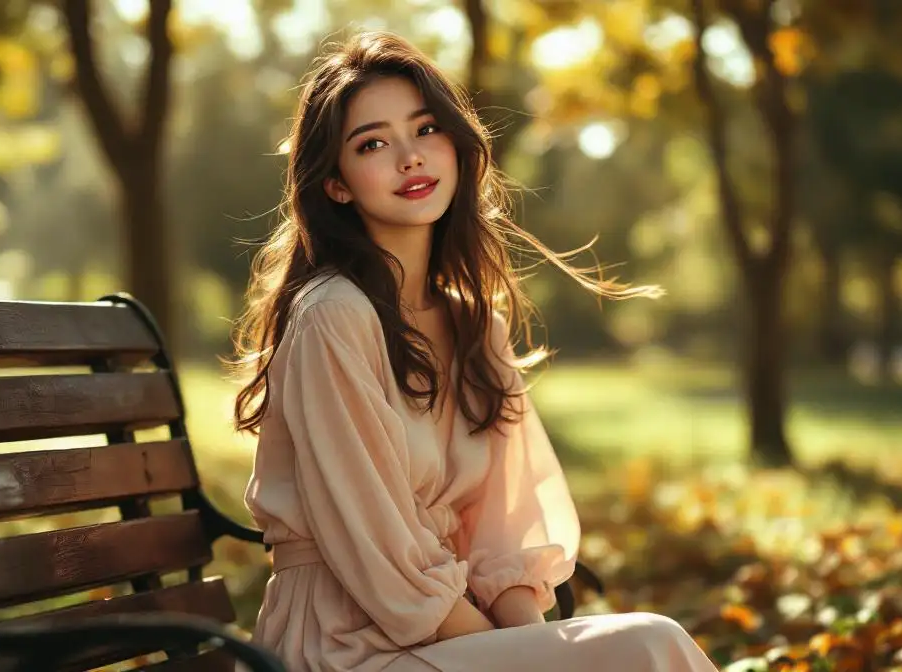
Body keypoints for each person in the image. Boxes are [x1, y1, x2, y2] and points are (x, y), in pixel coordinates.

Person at [231, 29, 718, 672]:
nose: (410, 157)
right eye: (373, 143)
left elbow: (504, 528)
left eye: (426, 129)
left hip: (444, 630)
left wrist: (532, 644)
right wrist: (506, 648)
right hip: (343, 641)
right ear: (337, 185)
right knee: (650, 644)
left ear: (457, 146)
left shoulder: (474, 325)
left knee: (636, 646)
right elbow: (375, 549)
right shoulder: (333, 317)